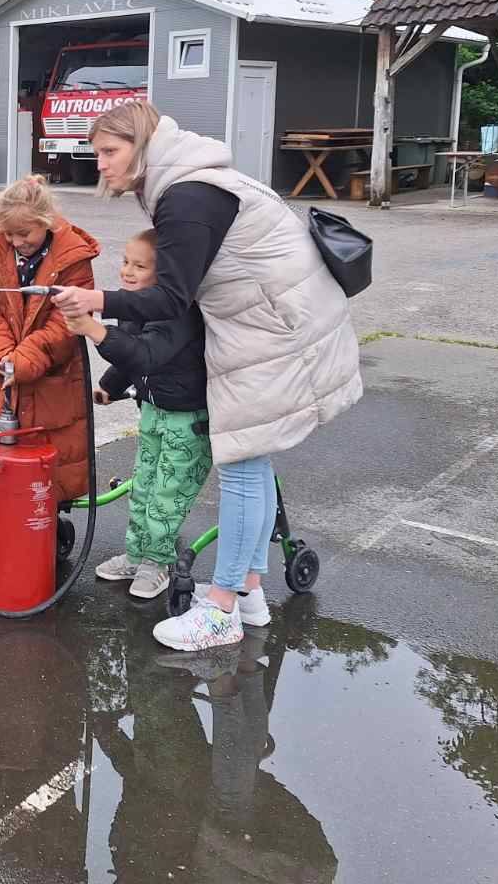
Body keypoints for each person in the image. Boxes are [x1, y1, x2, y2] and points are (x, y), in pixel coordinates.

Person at [51, 100, 361, 651]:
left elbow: (169, 297)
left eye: (108, 151)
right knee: (255, 463)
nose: (98, 163)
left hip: (272, 330)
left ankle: (220, 610)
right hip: (276, 320)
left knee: (242, 464)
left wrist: (94, 305)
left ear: (141, 146)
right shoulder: (191, 182)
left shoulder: (187, 196)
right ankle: (249, 592)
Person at [0, 175, 98, 570]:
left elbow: (68, 321)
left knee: (41, 464)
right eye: (9, 234)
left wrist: (27, 360)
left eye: (25, 234)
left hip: (52, 381)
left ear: (46, 220)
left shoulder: (73, 257)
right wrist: (3, 356)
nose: (17, 242)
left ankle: (41, 528)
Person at [65, 229, 212, 601]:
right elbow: (130, 356)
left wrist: (95, 331)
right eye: (126, 262)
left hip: (186, 419)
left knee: (168, 493)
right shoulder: (137, 306)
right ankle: (135, 554)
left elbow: (145, 354)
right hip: (152, 410)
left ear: (165, 277)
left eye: (140, 266)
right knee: (144, 486)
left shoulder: (178, 312)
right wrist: (110, 387)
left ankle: (158, 563)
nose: (127, 272)